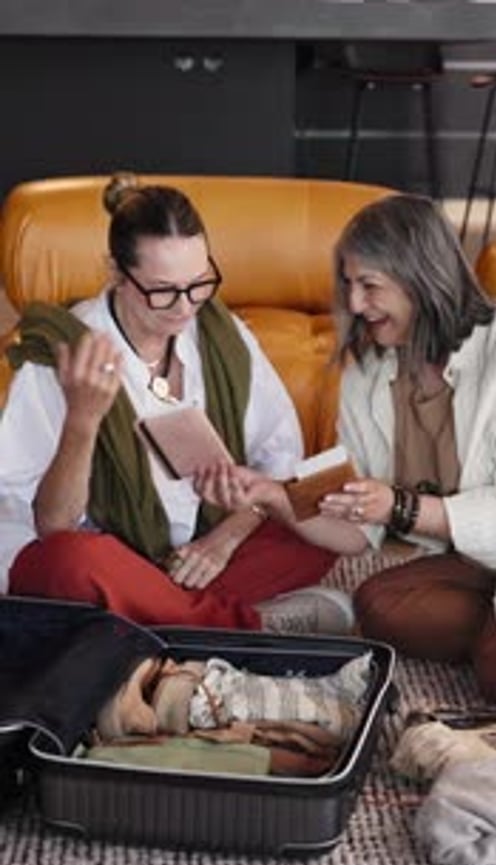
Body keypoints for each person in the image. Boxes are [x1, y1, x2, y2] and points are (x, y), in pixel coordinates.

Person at [0, 176, 354, 634]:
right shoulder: (65, 355)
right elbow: (52, 524)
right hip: (110, 557)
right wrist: (83, 421)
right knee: (68, 563)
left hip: (205, 553)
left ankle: (157, 619)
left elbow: (281, 466)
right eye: (163, 291)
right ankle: (247, 625)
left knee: (327, 500)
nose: (185, 308)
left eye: (200, 283)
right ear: (116, 274)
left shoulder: (222, 335)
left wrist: (224, 539)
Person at [195, 193, 496, 702]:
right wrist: (272, 495)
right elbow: (358, 532)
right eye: (349, 285)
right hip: (476, 562)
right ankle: (489, 634)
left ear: (420, 278)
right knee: (376, 604)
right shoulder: (370, 375)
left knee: (491, 671)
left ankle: (489, 646)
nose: (355, 304)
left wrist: (399, 507)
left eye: (370, 285)